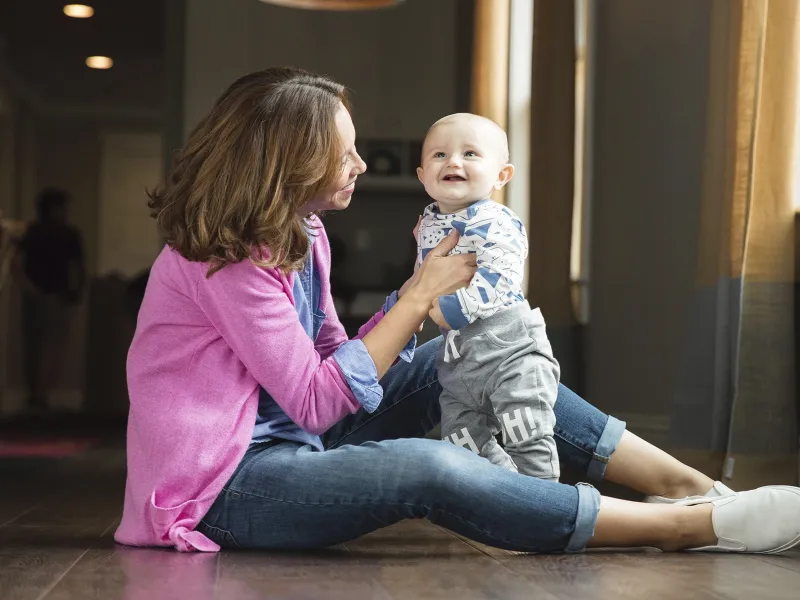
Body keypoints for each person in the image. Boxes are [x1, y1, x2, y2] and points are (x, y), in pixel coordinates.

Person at [115, 66, 800, 555]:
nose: (358, 162)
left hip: (297, 436)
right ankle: (693, 528)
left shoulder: (304, 233)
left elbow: (330, 355)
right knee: (428, 467)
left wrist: (431, 305)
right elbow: (320, 402)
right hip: (228, 486)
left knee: (470, 353)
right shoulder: (228, 262)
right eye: (342, 150)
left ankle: (692, 486)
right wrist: (418, 296)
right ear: (287, 160)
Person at [416, 113, 560, 481]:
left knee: (526, 432)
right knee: (462, 442)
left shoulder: (497, 220)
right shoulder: (428, 222)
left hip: (509, 349)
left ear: (501, 176)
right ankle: (505, 493)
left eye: (470, 154)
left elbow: (501, 276)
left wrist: (455, 307)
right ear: (422, 176)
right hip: (458, 361)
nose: (452, 161)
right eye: (439, 155)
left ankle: (543, 501)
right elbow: (425, 279)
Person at [12, 188, 84, 413]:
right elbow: (77, 267)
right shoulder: (64, 234)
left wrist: (27, 287)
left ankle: (38, 394)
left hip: (44, 294)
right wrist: (76, 291)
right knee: (48, 346)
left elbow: (16, 264)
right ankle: (39, 395)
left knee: (37, 345)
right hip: (50, 295)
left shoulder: (33, 232)